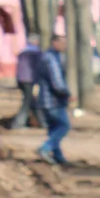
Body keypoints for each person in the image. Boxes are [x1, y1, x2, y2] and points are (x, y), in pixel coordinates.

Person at [32, 35, 72, 166]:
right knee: (63, 126)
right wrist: (66, 94)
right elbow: (57, 82)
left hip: (45, 100)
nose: (64, 46)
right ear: (54, 42)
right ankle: (45, 149)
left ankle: (58, 156)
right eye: (62, 42)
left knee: (53, 129)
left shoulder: (48, 57)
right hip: (53, 100)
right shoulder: (51, 59)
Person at [9, 35, 42, 129]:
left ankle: (41, 122)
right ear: (35, 42)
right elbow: (38, 67)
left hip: (21, 80)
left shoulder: (23, 52)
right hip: (29, 79)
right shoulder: (36, 52)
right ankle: (18, 124)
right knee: (27, 102)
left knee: (31, 101)